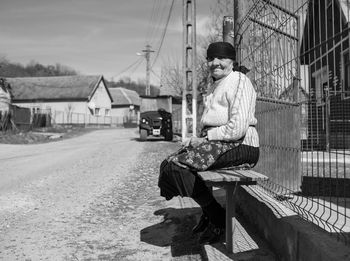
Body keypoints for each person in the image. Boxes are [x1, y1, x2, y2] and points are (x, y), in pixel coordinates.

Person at [158, 41, 259, 244]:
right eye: (211, 58)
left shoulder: (239, 80)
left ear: (232, 61)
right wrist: (198, 140)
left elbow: (237, 128)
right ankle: (210, 212)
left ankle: (217, 218)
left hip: (241, 145)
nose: (215, 63)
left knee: (179, 167)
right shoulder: (215, 85)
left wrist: (205, 139)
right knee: (168, 165)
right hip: (221, 143)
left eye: (221, 58)